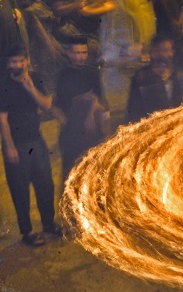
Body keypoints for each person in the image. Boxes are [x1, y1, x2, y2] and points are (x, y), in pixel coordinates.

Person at [0, 43, 60, 247]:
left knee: (45, 183)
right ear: (8, 64)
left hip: (36, 140)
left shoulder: (34, 78)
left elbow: (47, 105)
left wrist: (30, 87)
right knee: (20, 190)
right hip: (16, 143)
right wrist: (8, 147)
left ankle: (49, 222)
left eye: (20, 60)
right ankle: (28, 231)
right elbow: (2, 119)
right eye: (12, 62)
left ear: (26, 61)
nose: (16, 65)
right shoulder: (3, 84)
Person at [53, 35, 108, 178]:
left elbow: (99, 100)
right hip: (72, 135)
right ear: (69, 53)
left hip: (92, 133)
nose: (81, 57)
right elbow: (62, 105)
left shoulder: (93, 73)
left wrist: (91, 110)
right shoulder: (62, 76)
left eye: (84, 52)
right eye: (77, 53)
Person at [125, 35, 183, 124]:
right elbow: (134, 111)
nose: (162, 55)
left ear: (172, 53)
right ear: (151, 53)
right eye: (158, 51)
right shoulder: (141, 78)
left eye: (166, 50)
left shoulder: (178, 75)